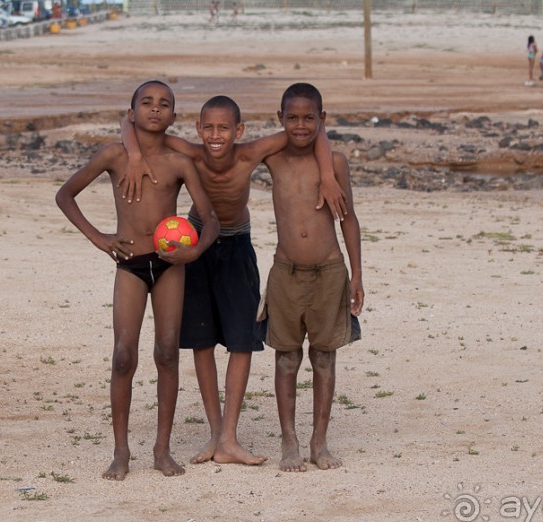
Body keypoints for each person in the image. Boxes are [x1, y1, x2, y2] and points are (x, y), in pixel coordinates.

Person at [119, 97, 346, 466]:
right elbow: (129, 123)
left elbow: (314, 132)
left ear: (238, 131)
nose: (215, 135)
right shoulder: (190, 151)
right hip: (194, 242)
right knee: (202, 340)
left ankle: (230, 437)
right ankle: (214, 433)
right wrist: (131, 156)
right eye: (208, 127)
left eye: (224, 128)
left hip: (237, 243)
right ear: (197, 129)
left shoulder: (251, 153)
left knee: (242, 340)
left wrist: (329, 175)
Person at [55, 80, 219, 481]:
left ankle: (162, 451)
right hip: (128, 264)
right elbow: (65, 195)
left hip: (169, 265)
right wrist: (100, 238)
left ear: (174, 117)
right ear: (131, 113)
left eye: (164, 104)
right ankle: (121, 452)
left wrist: (193, 252)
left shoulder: (180, 163)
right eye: (146, 103)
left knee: (166, 352)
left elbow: (211, 219)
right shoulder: (114, 155)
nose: (155, 109)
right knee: (124, 355)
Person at [259, 82, 364, 472]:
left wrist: (357, 274)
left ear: (323, 118)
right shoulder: (274, 158)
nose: (300, 126)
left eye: (309, 118)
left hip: (330, 270)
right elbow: (233, 155)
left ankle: (319, 441)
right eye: (291, 118)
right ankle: (289, 440)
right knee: (286, 357)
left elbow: (349, 219)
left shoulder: (335, 164)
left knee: (324, 356)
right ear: (279, 119)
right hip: (285, 271)